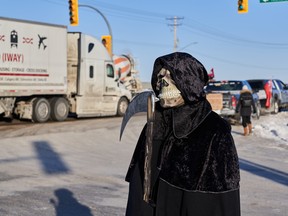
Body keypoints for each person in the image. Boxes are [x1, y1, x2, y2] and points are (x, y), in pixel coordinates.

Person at [124, 52, 241, 216]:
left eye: (171, 77)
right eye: (160, 77)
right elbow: (138, 189)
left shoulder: (214, 130)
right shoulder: (154, 125)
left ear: (190, 83)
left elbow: (224, 201)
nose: (162, 83)